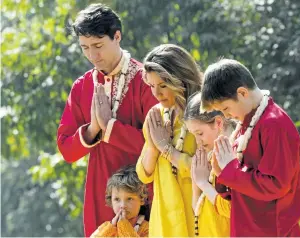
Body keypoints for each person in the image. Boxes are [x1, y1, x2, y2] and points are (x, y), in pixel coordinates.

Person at [56, 4, 157, 236]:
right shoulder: (82, 86)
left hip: (143, 193)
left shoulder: (146, 81)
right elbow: (67, 150)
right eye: (85, 48)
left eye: (98, 46)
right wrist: (93, 128)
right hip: (101, 192)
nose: (93, 55)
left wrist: (110, 128)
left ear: (117, 36)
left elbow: (157, 144)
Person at [200, 59, 300, 237]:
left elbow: (275, 185)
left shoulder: (273, 124)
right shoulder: (247, 123)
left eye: (226, 108)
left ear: (242, 93)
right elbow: (241, 188)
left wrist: (230, 169)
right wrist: (221, 173)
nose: (226, 116)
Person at [136, 44, 201, 237]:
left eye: (163, 85)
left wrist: (166, 147)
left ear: (182, 79)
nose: (156, 94)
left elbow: (208, 170)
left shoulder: (205, 113)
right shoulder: (156, 114)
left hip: (197, 218)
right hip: (165, 222)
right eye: (152, 86)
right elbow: (144, 174)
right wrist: (155, 147)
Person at [183, 92, 234, 237]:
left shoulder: (235, 154)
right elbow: (197, 208)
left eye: (200, 133)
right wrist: (197, 183)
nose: (198, 142)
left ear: (218, 123)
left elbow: (232, 209)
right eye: (194, 135)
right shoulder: (209, 155)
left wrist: (203, 183)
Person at [90, 165, 149, 237]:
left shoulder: (148, 228)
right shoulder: (105, 227)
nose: (123, 205)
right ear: (111, 201)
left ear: (141, 199)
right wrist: (111, 228)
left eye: (129, 199)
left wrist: (124, 226)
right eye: (117, 199)